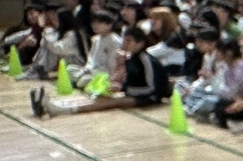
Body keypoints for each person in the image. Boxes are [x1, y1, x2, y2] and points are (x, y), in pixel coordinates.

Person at [35, 26, 171, 116]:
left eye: (129, 41)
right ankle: (62, 104)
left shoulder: (146, 59)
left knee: (111, 102)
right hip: (135, 93)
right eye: (125, 40)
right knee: (99, 97)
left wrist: (124, 89)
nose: (125, 44)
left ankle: (65, 110)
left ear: (140, 43)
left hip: (151, 97)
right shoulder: (131, 59)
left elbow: (153, 87)